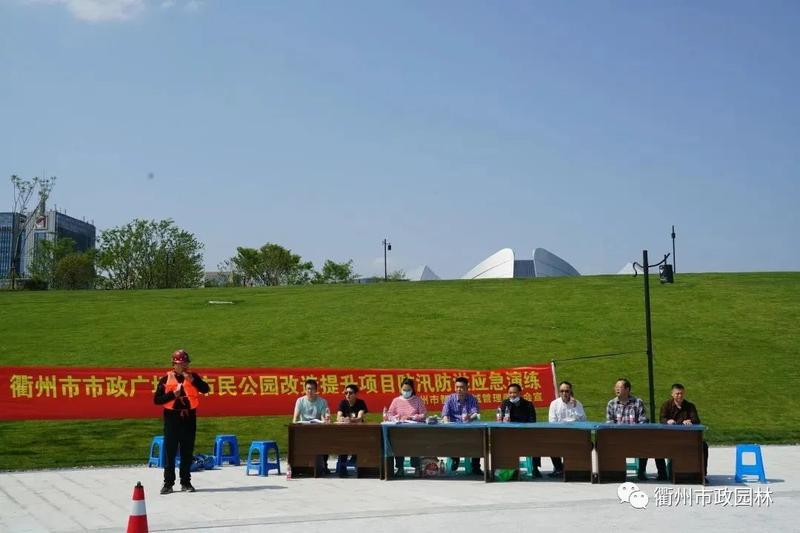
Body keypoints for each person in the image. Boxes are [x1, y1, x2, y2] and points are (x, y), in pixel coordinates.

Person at [153, 349, 210, 494]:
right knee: (170, 452)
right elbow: (157, 400)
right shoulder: (165, 379)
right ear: (174, 364)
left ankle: (186, 482)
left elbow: (206, 389)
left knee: (187, 451)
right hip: (172, 418)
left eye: (186, 363)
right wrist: (173, 395)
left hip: (189, 418)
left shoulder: (193, 376)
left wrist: (193, 381)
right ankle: (168, 483)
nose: (184, 366)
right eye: (181, 364)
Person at [605, 377, 660, 481]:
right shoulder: (611, 403)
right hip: (618, 437)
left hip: (635, 436)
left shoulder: (637, 402)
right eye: (616, 387)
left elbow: (643, 421)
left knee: (646, 442)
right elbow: (609, 423)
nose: (616, 389)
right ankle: (617, 471)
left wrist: (634, 432)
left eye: (619, 387)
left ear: (627, 389)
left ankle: (641, 471)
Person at [658, 383, 709, 481]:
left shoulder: (690, 406)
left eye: (681, 393)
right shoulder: (666, 405)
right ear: (672, 394)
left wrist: (690, 421)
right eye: (677, 394)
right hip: (670, 437)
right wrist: (667, 421)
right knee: (657, 445)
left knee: (703, 446)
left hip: (687, 437)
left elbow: (696, 420)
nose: (679, 396)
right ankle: (662, 473)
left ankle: (702, 474)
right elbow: (662, 419)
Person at [441, 376, 483, 476]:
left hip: (468, 428)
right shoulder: (449, 398)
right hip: (453, 429)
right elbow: (445, 414)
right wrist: (446, 424)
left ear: (467, 388)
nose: (459, 389)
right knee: (449, 437)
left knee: (478, 439)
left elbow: (475, 413)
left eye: (462, 387)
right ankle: (455, 458)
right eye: (457, 387)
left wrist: (470, 417)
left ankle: (476, 467)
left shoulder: (472, 398)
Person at [386, 378, 427, 476]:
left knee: (415, 446)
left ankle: (417, 468)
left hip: (414, 431)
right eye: (404, 390)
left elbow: (424, 415)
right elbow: (389, 414)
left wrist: (412, 417)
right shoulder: (396, 401)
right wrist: (396, 417)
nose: (406, 392)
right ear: (401, 389)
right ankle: (400, 468)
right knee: (398, 445)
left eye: (408, 390)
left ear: (412, 390)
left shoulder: (417, 400)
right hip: (400, 431)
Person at [498, 383, 541, 478]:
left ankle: (535, 468)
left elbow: (532, 421)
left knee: (535, 440)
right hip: (509, 434)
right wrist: (502, 420)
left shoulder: (528, 405)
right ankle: (506, 468)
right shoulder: (505, 403)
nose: (512, 395)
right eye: (510, 393)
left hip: (524, 434)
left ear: (520, 393)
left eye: (514, 393)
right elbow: (500, 420)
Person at [548, 380, 587, 477]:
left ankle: (573, 468)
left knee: (587, 444)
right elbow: (552, 422)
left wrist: (575, 407)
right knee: (550, 444)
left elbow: (584, 421)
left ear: (571, 392)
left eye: (566, 391)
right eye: (562, 391)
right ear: (559, 392)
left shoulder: (577, 404)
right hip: (559, 434)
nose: (564, 393)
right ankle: (558, 469)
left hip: (575, 435)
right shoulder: (554, 404)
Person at [292, 379, 330, 473]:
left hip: (317, 430)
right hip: (304, 430)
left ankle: (324, 464)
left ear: (316, 390)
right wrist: (295, 424)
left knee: (326, 438)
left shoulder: (322, 401)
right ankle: (298, 466)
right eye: (308, 389)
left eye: (312, 389)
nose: (310, 391)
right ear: (305, 389)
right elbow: (295, 417)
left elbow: (323, 418)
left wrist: (325, 420)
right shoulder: (300, 401)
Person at [335, 384, 368, 477]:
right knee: (342, 442)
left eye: (350, 393)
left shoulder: (361, 403)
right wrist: (343, 419)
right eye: (346, 393)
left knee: (360, 442)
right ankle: (342, 469)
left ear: (356, 394)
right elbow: (338, 417)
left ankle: (356, 459)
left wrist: (350, 420)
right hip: (345, 432)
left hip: (359, 432)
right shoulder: (343, 403)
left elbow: (359, 417)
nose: (348, 395)